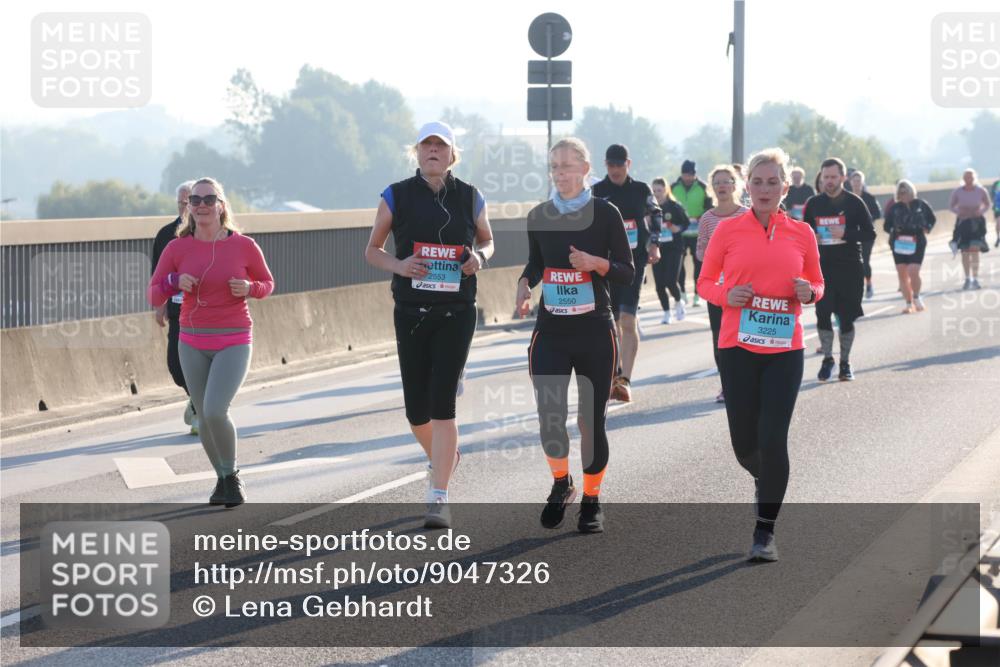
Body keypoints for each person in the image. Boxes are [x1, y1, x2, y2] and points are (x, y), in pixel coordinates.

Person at [365, 121, 494, 529]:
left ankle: (439, 494)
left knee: (443, 403)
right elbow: (372, 250)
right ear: (416, 153)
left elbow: (487, 240)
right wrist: (400, 265)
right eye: (426, 145)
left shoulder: (470, 196)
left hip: (457, 310)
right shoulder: (396, 195)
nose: (433, 151)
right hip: (411, 311)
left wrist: (480, 258)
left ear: (452, 154)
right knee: (416, 412)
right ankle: (444, 459)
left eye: (441, 146)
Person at [697, 147, 824, 562]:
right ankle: (764, 479)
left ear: (786, 187)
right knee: (743, 443)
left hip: (785, 350)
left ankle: (764, 531)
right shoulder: (727, 231)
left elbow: (817, 284)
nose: (765, 189)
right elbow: (704, 283)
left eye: (773, 182)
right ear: (746, 186)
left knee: (773, 438)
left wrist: (810, 292)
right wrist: (725, 294)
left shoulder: (802, 233)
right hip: (737, 348)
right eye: (757, 181)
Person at [516, 137, 634, 534]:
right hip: (551, 331)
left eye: (567, 166)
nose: (560, 173)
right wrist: (523, 284)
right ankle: (561, 482)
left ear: (585, 170)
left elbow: (626, 271)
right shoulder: (539, 215)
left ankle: (592, 499)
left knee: (589, 422)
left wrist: (594, 263)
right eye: (554, 167)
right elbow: (536, 263)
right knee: (550, 417)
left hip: (595, 332)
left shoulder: (606, 214)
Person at [148, 177, 274, 508]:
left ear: (221, 205)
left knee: (216, 410)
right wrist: (175, 280)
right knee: (202, 416)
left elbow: (267, 283)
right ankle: (221, 478)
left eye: (209, 199)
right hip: (191, 340)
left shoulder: (243, 245)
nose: (202, 205)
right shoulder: (177, 247)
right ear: (188, 208)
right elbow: (154, 291)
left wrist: (249, 287)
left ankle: (232, 475)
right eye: (195, 200)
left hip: (233, 338)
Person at [592, 144, 662, 403]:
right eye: (611, 165)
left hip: (634, 261)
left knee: (628, 320)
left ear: (628, 164)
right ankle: (614, 373)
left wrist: (655, 243)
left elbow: (656, 213)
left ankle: (625, 380)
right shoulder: (597, 192)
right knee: (610, 322)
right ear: (605, 165)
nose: (615, 170)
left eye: (619, 165)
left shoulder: (640, 189)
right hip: (605, 264)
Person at [803, 158, 875, 382]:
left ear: (843, 178)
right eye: (826, 177)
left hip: (850, 268)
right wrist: (811, 238)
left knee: (846, 318)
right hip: (822, 269)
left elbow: (870, 234)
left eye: (834, 177)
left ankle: (845, 362)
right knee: (822, 314)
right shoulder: (814, 204)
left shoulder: (854, 203)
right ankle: (827, 359)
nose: (829, 182)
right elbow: (804, 235)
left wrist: (845, 234)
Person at [696, 165, 749, 403]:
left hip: (745, 287)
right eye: (717, 182)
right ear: (712, 188)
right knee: (720, 337)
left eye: (726, 181)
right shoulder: (707, 219)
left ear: (735, 185)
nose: (722, 186)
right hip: (718, 289)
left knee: (745, 335)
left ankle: (748, 382)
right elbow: (699, 251)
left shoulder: (747, 214)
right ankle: (727, 385)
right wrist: (709, 253)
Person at [151, 180, 198, 435]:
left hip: (203, 313)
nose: (184, 207)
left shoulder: (207, 234)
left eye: (189, 201)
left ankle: (203, 408)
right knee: (176, 368)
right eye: (181, 202)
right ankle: (196, 398)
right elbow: (157, 278)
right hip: (177, 311)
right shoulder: (165, 235)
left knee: (199, 364)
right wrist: (158, 306)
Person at [884, 180, 935, 313]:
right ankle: (908, 303)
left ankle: (917, 297)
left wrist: (927, 228)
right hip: (899, 243)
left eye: (905, 191)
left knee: (913, 271)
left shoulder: (921, 204)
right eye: (900, 192)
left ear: (911, 191)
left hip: (917, 241)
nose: (903, 194)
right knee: (902, 274)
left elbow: (932, 219)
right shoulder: (895, 208)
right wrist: (895, 229)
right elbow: (886, 225)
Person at [672, 160, 714, 307]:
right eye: (685, 174)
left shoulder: (704, 187)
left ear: (695, 174)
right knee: (679, 265)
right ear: (681, 174)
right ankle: (682, 293)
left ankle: (697, 294)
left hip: (698, 233)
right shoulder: (673, 187)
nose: (688, 177)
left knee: (699, 265)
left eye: (691, 174)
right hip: (680, 234)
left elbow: (710, 207)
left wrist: (701, 216)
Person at [651, 177, 690, 324]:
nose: (657, 193)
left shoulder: (674, 206)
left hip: (674, 248)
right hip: (657, 248)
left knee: (670, 281)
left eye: (659, 190)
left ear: (666, 190)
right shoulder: (649, 208)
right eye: (654, 191)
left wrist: (677, 228)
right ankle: (666, 313)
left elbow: (685, 223)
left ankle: (679, 301)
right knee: (659, 284)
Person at [949, 169, 992, 290]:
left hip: (977, 223)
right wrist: (959, 212)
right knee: (965, 251)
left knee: (975, 250)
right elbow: (951, 206)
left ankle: (976, 278)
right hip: (963, 223)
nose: (969, 179)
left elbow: (988, 204)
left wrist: (981, 211)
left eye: (971, 177)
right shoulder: (957, 192)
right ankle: (968, 278)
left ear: (975, 178)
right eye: (966, 177)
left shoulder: (981, 190)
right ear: (963, 178)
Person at [849, 171, 883, 300]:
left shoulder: (869, 197)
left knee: (865, 260)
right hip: (851, 234)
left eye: (859, 181)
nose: (857, 183)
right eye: (854, 181)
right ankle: (855, 285)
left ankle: (868, 283)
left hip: (866, 233)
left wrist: (866, 219)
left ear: (862, 183)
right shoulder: (847, 197)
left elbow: (878, 213)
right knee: (852, 261)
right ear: (850, 182)